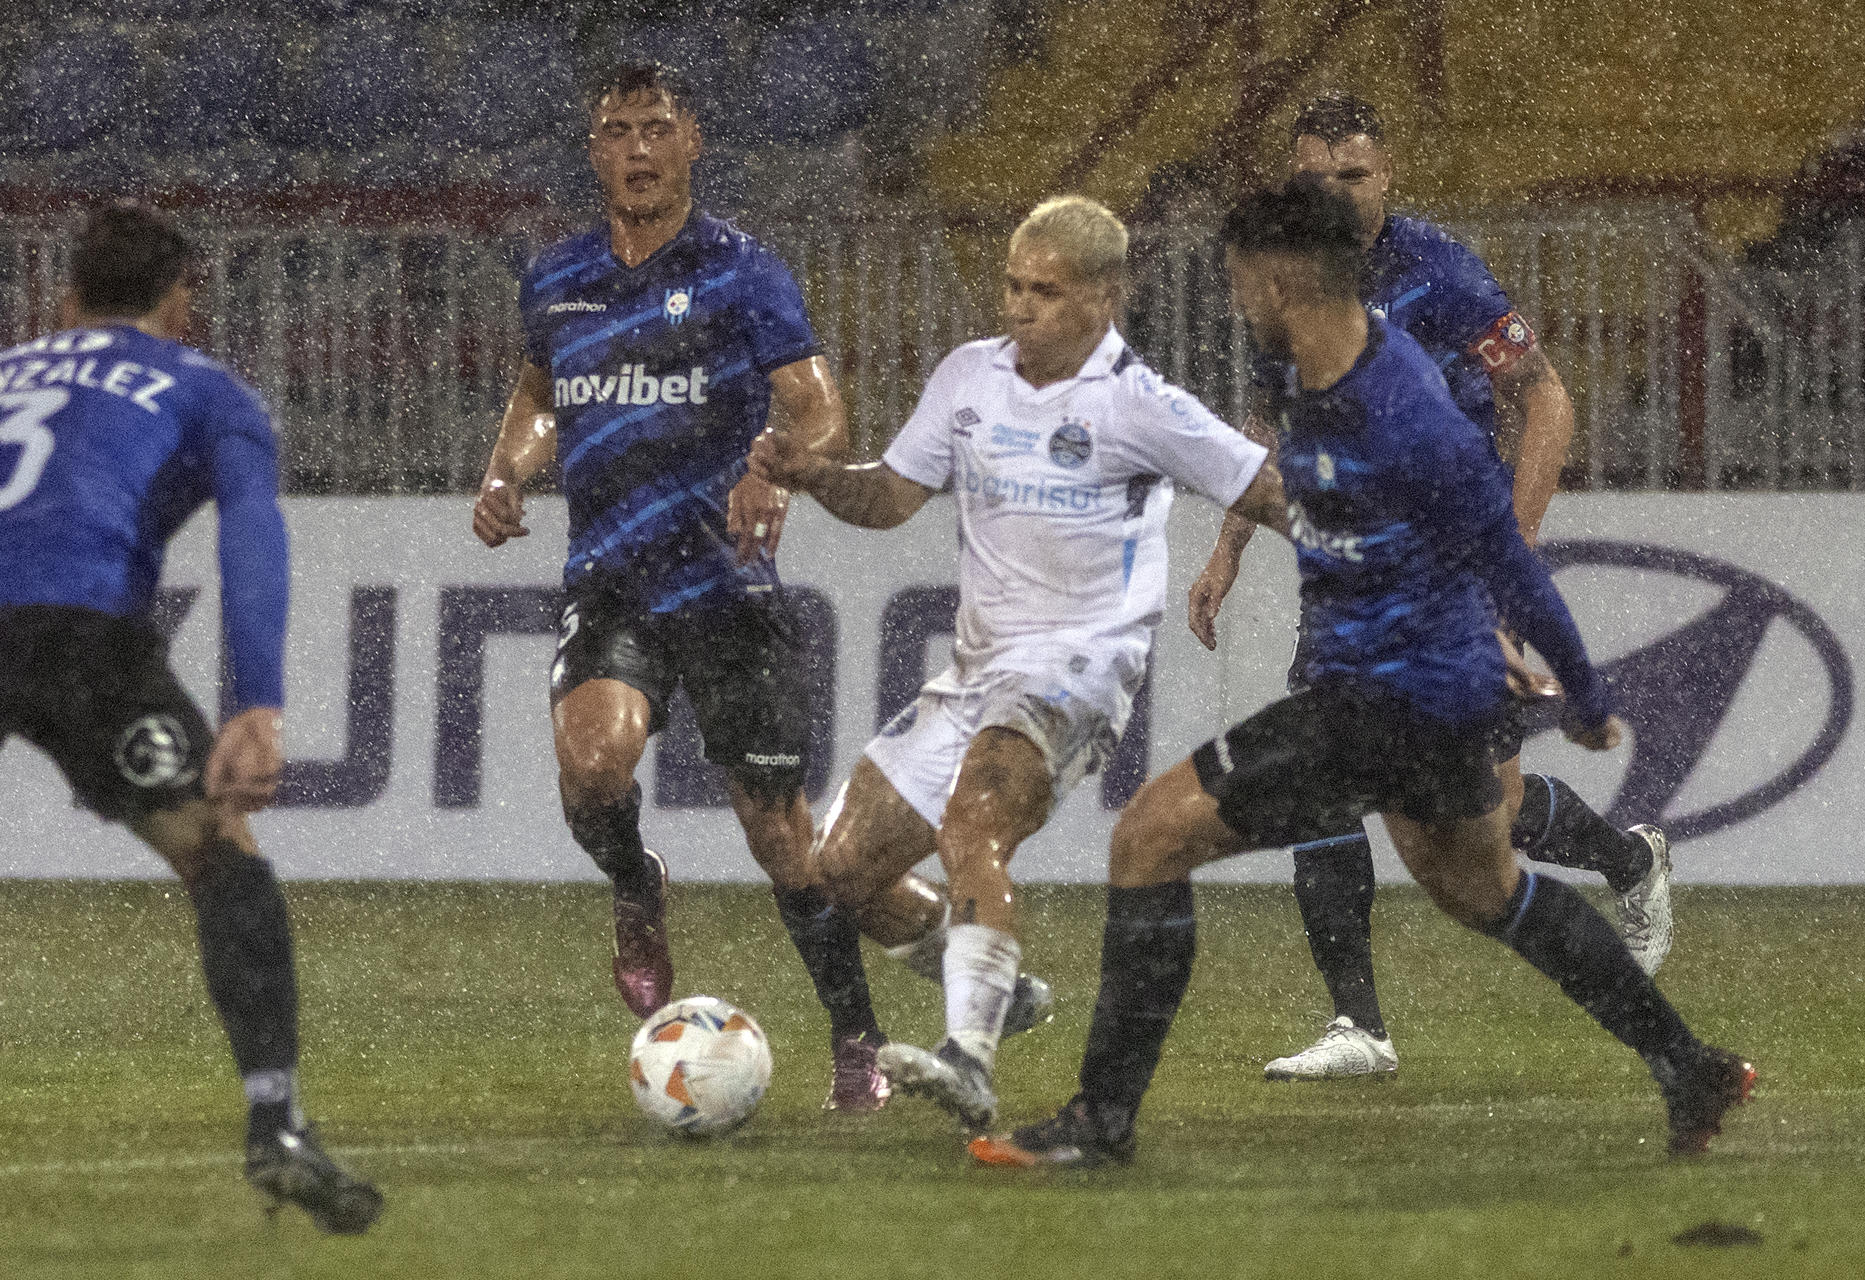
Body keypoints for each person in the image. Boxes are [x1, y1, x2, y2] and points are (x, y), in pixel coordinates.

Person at [972, 177, 1753, 1168]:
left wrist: (1589, 699)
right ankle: (1693, 1065)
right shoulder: (1306, 372)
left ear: (1278, 279)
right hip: (1422, 697)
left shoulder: (1409, 415)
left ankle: (1100, 1119)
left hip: (1387, 706)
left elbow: (1508, 560)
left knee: (1148, 837)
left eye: (1237, 280)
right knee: (1486, 891)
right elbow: (1307, 497)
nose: (1234, 298)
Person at [751, 195, 1287, 1131]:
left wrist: (1390, 562)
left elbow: (1271, 490)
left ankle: (970, 1058)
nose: (1019, 306)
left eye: (1046, 290)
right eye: (1011, 284)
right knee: (833, 877)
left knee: (975, 823)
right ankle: (1004, 988)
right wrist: (813, 474)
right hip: (976, 675)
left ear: (1105, 297)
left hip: (1078, 669)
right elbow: (889, 498)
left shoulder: (1141, 405)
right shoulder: (969, 379)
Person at [1188, 90, 1674, 1081]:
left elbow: (1546, 399)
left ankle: (1627, 863)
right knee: (1348, 773)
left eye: (1352, 177)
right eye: (1314, 179)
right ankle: (1357, 1021)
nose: (1333, 194)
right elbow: (1280, 431)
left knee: (1473, 814)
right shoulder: (1293, 288)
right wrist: (1228, 550)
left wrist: (1515, 547)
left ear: (1391, 173)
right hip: (1347, 565)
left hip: (1447, 563)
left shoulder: (1441, 274)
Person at [470, 62, 888, 1110]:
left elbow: (821, 409)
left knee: (779, 835)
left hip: (727, 588)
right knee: (594, 762)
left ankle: (856, 1035)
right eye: (617, 130)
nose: (639, 148)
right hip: (611, 575)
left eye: (657, 127)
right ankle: (635, 883)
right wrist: (504, 468)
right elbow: (539, 394)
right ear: (595, 150)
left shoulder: (742, 271)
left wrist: (770, 463)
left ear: (692, 141)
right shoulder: (558, 276)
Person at [0, 205, 382, 1232]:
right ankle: (276, 1122)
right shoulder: (207, 387)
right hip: (79, 634)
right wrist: (255, 698)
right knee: (223, 857)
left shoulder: (9, 371)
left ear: (66, 301)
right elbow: (251, 533)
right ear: (181, 303)